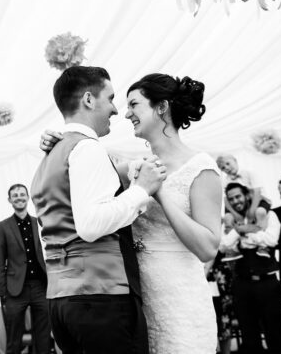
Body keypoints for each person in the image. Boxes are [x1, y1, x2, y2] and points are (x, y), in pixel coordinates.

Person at [40, 72, 225, 353]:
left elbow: (208, 248)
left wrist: (159, 192)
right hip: (131, 298)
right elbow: (79, 169)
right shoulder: (130, 166)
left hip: (178, 296)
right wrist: (55, 139)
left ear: (161, 107)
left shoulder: (201, 167)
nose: (125, 114)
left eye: (134, 104)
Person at [33, 66, 165, 354]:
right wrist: (140, 191)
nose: (115, 110)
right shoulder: (87, 148)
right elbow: (91, 225)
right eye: (111, 98)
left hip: (61, 300)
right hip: (100, 297)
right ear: (89, 100)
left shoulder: (49, 155)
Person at [220, 183, 281, 353]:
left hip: (267, 283)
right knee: (249, 335)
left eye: (238, 196)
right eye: (231, 199)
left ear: (247, 195)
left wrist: (247, 234)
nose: (236, 201)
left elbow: (271, 239)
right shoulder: (230, 219)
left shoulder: (269, 214)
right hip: (241, 285)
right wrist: (240, 230)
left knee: (275, 333)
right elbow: (224, 245)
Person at [0, 184, 50, 354]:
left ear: (28, 197)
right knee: (14, 340)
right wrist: (3, 292)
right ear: (10, 200)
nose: (19, 197)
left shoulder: (39, 222)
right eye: (15, 195)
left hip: (41, 287)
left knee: (43, 338)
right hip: (15, 290)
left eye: (22, 194)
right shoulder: (2, 226)